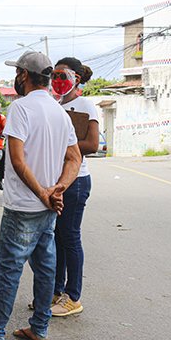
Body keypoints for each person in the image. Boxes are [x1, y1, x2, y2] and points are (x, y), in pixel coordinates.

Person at [0, 51, 81, 340]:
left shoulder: (20, 109)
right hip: (48, 207)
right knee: (46, 267)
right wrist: (57, 189)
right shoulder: (59, 111)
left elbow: (18, 162)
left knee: (8, 269)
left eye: (17, 73)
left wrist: (44, 193)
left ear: (23, 75)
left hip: (24, 206)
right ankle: (40, 327)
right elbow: (75, 158)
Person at [48, 57, 99, 317]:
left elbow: (92, 145)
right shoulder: (55, 104)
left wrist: (61, 146)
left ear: (76, 79)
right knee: (57, 238)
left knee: (69, 237)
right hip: (58, 180)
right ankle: (56, 293)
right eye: (54, 76)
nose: (57, 81)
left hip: (76, 181)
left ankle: (74, 297)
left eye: (62, 76)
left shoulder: (85, 104)